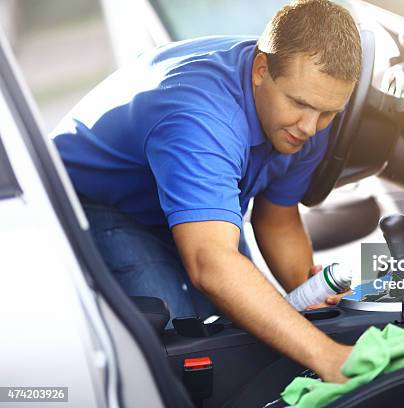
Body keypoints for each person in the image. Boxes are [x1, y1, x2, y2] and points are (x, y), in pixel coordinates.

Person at [52, 0, 361, 382]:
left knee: (254, 333)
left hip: (190, 209)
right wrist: (328, 356)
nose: (311, 127)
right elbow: (211, 264)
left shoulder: (307, 103)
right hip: (96, 205)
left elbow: (277, 218)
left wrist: (309, 291)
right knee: (185, 349)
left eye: (327, 113)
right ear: (261, 70)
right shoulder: (201, 118)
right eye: (300, 104)